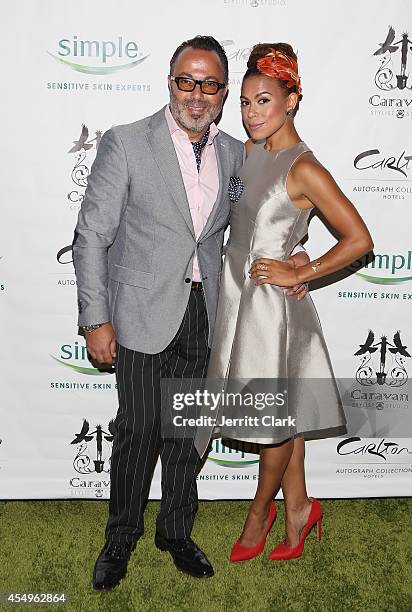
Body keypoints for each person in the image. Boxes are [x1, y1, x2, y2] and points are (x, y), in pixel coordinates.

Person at [73, 36, 308, 590]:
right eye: (187, 80)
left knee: (187, 432)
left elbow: (261, 217)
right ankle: (121, 537)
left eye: (209, 84)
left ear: (224, 93)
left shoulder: (236, 152)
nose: (197, 94)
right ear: (170, 83)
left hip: (209, 314)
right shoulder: (127, 143)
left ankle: (175, 530)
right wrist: (95, 318)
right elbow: (91, 238)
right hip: (139, 313)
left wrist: (296, 253)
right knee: (136, 431)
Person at [194, 43, 373, 562]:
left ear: (293, 100)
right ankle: (299, 509)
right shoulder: (249, 154)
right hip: (235, 297)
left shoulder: (304, 167)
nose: (252, 113)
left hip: (271, 311)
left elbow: (359, 239)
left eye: (265, 100)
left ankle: (259, 512)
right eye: (245, 102)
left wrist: (302, 269)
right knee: (281, 416)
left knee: (270, 418)